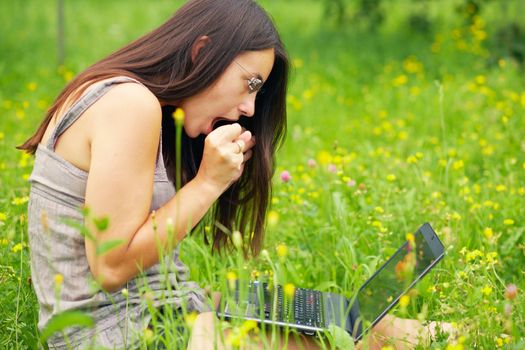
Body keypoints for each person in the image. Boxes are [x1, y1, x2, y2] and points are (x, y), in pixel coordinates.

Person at [20, 0, 450, 348]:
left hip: (164, 313)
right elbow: (111, 267)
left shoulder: (136, 103)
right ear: (202, 51)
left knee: (363, 327)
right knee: (348, 341)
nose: (249, 110)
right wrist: (206, 183)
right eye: (250, 85)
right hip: (115, 335)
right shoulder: (129, 104)